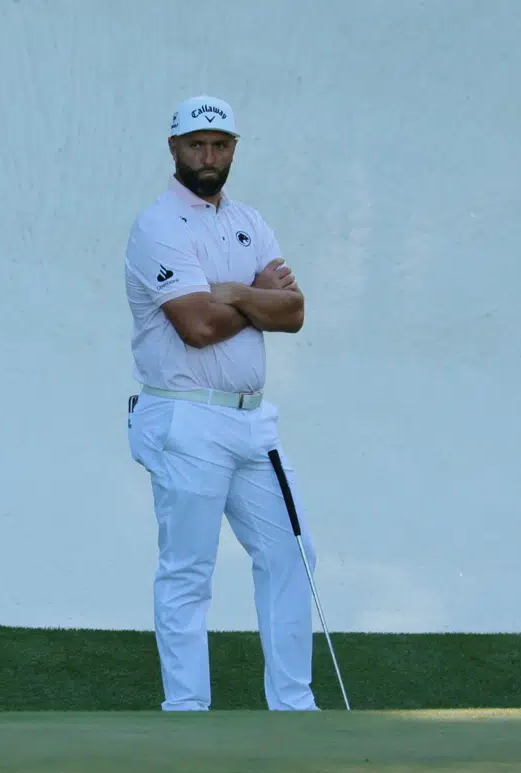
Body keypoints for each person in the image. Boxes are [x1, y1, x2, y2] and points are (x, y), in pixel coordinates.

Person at [124, 94, 320, 712]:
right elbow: (197, 327)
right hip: (184, 416)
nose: (209, 156)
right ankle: (186, 709)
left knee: (292, 553)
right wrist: (256, 294)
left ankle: (294, 704)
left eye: (220, 145)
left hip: (252, 420)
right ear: (174, 149)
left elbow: (293, 312)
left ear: (233, 148)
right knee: (189, 568)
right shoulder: (157, 226)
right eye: (197, 145)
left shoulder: (250, 222)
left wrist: (231, 292)